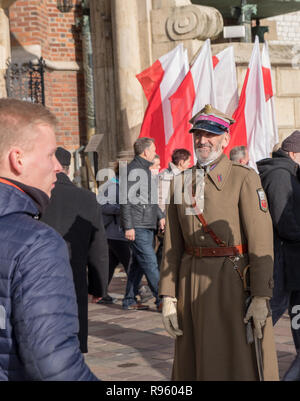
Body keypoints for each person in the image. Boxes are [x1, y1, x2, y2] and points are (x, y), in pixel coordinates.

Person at [159, 104, 279, 381]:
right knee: (194, 360)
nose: (203, 140)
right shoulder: (180, 183)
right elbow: (172, 245)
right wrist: (168, 296)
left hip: (232, 283)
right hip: (190, 283)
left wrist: (261, 296)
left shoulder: (243, 178)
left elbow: (261, 242)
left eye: (211, 134)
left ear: (225, 139)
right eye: (198, 134)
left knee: (236, 360)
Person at [0, 98, 97, 380]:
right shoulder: (36, 244)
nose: (57, 166)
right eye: (49, 154)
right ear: (17, 159)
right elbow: (54, 367)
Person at [41, 146, 108, 354]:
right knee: (71, 346)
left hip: (37, 281)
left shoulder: (35, 197)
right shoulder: (87, 198)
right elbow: (98, 250)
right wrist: (98, 287)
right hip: (73, 281)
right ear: (68, 170)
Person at [257, 130, 300, 381]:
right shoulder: (280, 175)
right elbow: (284, 220)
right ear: (294, 153)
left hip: (291, 260)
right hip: (282, 261)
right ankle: (242, 355)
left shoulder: (289, 172)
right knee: (273, 309)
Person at [121, 137, 165, 310]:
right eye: (153, 149)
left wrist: (160, 215)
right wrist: (128, 226)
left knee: (139, 265)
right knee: (150, 262)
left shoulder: (144, 170)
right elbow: (125, 200)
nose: (155, 152)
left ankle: (129, 299)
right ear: (146, 151)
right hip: (137, 225)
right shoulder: (132, 170)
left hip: (146, 223)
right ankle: (162, 299)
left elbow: (150, 199)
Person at [97, 161, 131, 304]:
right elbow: (102, 207)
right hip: (116, 233)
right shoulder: (112, 186)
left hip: (114, 233)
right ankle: (137, 293)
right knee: (130, 263)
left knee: (110, 265)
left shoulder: (120, 185)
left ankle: (100, 292)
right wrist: (121, 210)